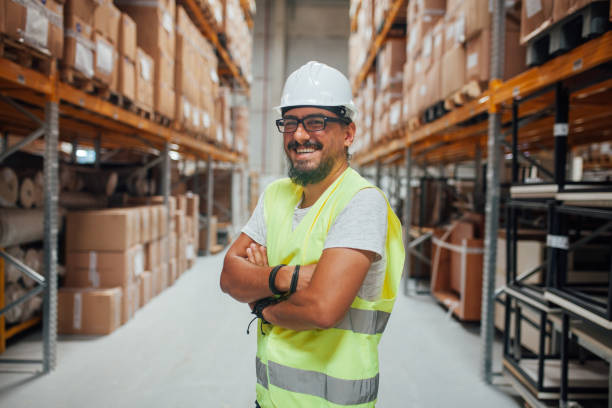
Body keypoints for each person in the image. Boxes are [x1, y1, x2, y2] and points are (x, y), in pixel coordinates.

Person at [220, 61, 405, 407]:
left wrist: (262, 303)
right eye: (290, 123)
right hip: (269, 398)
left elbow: (322, 308)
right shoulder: (275, 195)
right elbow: (229, 276)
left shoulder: (362, 202)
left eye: (316, 122)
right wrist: (289, 277)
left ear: (348, 133)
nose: (300, 135)